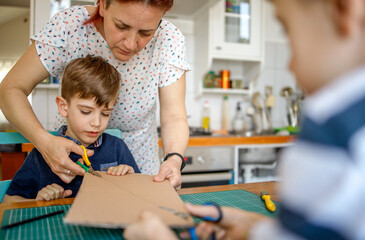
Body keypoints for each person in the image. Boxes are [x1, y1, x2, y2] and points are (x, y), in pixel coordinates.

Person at [123, 0, 365, 239]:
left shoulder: (334, 135)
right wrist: (252, 226)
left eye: (287, 29)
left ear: (344, 9)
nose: (290, 65)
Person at [0, 0, 189, 189]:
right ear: (103, 5)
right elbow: (10, 89)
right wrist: (44, 142)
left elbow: (174, 116)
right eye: (121, 26)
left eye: (146, 33)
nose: (131, 44)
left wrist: (174, 159)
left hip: (142, 165)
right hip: (70, 165)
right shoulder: (68, 26)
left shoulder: (169, 38)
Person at [3, 55, 140, 203]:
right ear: (64, 107)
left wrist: (130, 179)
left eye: (106, 113)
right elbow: (9, 200)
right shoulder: (43, 153)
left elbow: (140, 194)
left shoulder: (117, 148)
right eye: (86, 111)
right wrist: (38, 201)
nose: (97, 122)